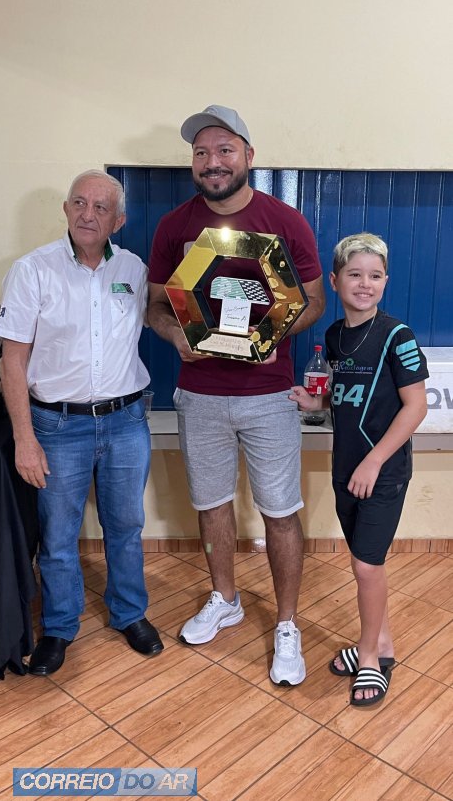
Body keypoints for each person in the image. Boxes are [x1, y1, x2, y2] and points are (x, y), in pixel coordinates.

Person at [147, 105, 325, 686]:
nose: (212, 162)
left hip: (269, 395)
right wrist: (176, 334)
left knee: (280, 511)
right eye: (201, 153)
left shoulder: (285, 221)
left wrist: (275, 335)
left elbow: (315, 302)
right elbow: (154, 306)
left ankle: (288, 624)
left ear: (248, 155)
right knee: (211, 503)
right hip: (199, 395)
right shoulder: (175, 226)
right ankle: (225, 599)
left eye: (224, 150)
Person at [0, 170, 163, 676]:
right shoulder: (32, 270)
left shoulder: (134, 270)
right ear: (66, 209)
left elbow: (166, 319)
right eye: (79, 203)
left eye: (101, 207)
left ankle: (129, 613)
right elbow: (12, 362)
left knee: (126, 526)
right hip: (56, 427)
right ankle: (60, 626)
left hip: (126, 422)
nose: (88, 214)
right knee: (58, 535)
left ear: (119, 220)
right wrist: (24, 439)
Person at [290, 233, 428, 706]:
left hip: (381, 472)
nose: (364, 284)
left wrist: (374, 460)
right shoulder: (334, 336)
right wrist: (316, 403)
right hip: (345, 468)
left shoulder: (396, 335)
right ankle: (381, 643)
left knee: (366, 565)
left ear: (385, 282)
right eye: (354, 274)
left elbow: (415, 407)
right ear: (335, 281)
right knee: (367, 567)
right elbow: (342, 397)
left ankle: (370, 657)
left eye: (374, 275)